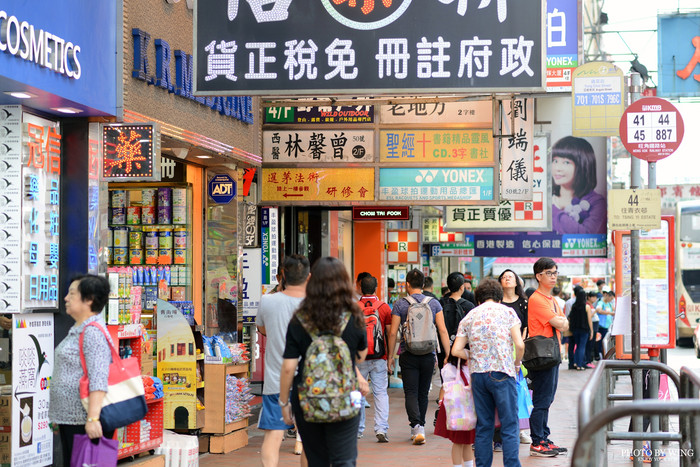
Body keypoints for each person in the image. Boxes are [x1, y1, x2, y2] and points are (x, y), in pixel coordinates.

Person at [279, 257, 369, 466]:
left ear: (312, 281)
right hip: (349, 396)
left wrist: (284, 403)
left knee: (316, 459)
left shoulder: (301, 318)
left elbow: (288, 368)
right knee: (345, 459)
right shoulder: (354, 315)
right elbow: (360, 356)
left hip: (307, 398)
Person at [451, 278, 525, 467]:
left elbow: (456, 350)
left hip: (478, 375)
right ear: (499, 297)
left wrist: (473, 353)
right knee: (509, 425)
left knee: (484, 426)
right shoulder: (508, 312)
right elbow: (519, 344)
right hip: (502, 372)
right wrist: (516, 364)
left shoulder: (470, 316)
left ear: (479, 298)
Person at [49, 274, 113, 467]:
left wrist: (93, 419)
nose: (66, 298)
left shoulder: (92, 332)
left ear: (89, 299)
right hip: (72, 420)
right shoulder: (79, 328)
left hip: (84, 420)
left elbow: (98, 377)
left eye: (72, 294)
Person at [387, 269, 451, 445]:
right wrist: (448, 354)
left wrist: (390, 356)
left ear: (407, 284)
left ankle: (416, 426)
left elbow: (393, 333)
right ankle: (420, 426)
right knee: (423, 392)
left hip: (408, 353)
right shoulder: (434, 303)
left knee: (411, 392)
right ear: (423, 285)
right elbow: (443, 330)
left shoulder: (400, 304)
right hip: (429, 354)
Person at [256, 254, 310, 466]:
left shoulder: (267, 301)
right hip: (310, 381)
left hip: (275, 380)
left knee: (274, 436)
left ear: (283, 275)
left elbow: (262, 329)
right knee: (309, 439)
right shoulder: (315, 304)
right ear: (309, 277)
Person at [527, 257, 569, 457]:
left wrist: (560, 322)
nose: (553, 277)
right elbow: (561, 324)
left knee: (547, 399)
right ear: (538, 276)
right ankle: (537, 441)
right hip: (542, 356)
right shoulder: (536, 299)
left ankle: (544, 437)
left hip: (551, 354)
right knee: (542, 400)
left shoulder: (551, 300)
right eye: (549, 273)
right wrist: (559, 322)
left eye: (555, 272)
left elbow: (565, 324)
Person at [435, 272, 475, 426]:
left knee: (447, 380)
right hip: (463, 350)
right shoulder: (469, 306)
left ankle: (443, 411)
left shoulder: (440, 303)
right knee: (463, 380)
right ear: (461, 287)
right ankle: (461, 411)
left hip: (443, 350)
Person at [357, 274, 392, 442]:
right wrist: (390, 356)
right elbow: (390, 334)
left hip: (359, 358)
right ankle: (381, 429)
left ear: (360, 288)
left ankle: (357, 429)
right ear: (376, 288)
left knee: (357, 393)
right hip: (380, 357)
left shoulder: (353, 307)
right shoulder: (384, 307)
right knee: (380, 393)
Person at [498, 268, 531, 446]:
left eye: (510, 277)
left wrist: (521, 344)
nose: (507, 279)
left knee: (519, 390)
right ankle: (501, 431)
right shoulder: (496, 302)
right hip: (500, 350)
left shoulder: (524, 302)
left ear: (517, 281)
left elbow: (526, 326)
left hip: (519, 349)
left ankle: (520, 430)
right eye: (504, 277)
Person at [551, 136, 606, 234]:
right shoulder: (544, 198)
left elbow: (586, 235)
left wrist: (551, 211)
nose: (557, 168)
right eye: (555, 161)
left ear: (583, 166)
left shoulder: (596, 202)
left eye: (566, 162)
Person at [568, 288, 593, 371]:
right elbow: (589, 320)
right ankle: (580, 364)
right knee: (582, 347)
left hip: (575, 330)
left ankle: (576, 363)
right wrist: (592, 331)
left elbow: (570, 317)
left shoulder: (574, 306)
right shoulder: (587, 307)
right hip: (584, 330)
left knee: (578, 346)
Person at [595, 291, 615, 360]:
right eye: (611, 298)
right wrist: (610, 313)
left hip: (607, 326)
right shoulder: (601, 303)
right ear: (607, 296)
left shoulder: (609, 304)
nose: (611, 300)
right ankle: (600, 356)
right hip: (602, 326)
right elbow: (599, 310)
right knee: (601, 342)